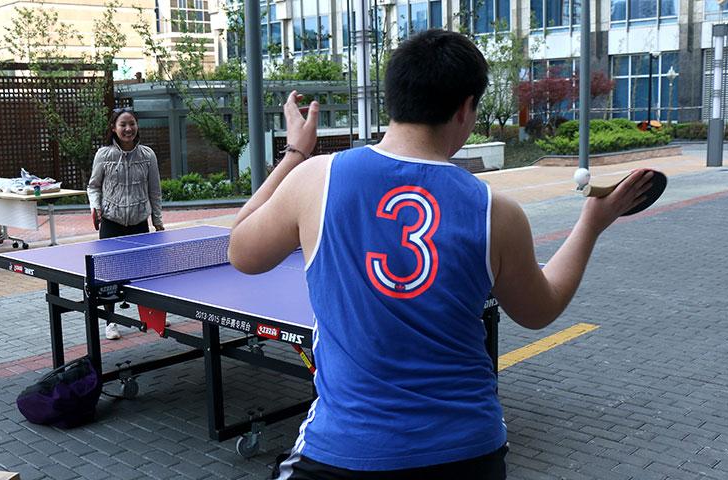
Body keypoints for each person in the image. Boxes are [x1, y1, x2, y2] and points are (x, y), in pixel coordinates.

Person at [228, 30, 656, 479]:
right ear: (466, 107)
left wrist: (296, 153)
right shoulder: (497, 212)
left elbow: (242, 252)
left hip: (347, 450)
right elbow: (539, 309)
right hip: (466, 450)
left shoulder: (317, 179)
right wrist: (591, 224)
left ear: (393, 98)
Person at [87, 106, 165, 340]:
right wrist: (95, 206)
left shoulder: (148, 155)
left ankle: (149, 316)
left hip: (139, 222)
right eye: (123, 125)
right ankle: (110, 321)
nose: (128, 128)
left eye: (131, 123)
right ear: (114, 128)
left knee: (144, 272)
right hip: (111, 222)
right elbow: (93, 186)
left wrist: (158, 221)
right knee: (109, 274)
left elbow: (155, 191)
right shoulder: (103, 155)